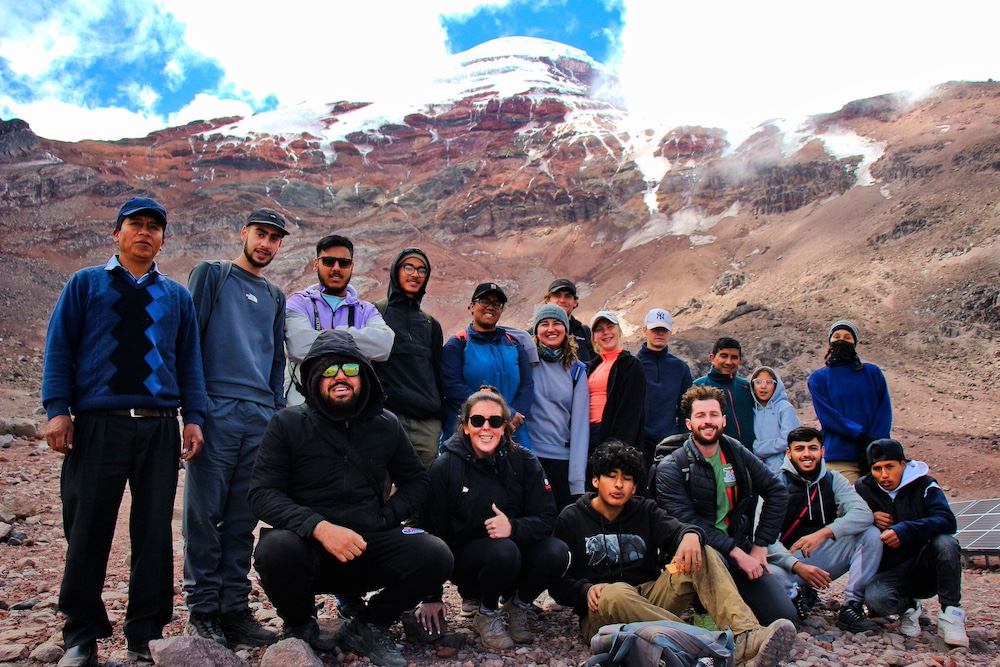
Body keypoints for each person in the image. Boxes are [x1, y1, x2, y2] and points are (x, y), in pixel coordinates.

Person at [42, 197, 207, 667]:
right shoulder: (85, 283)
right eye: (136, 224)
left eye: (154, 226)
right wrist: (57, 410)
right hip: (98, 425)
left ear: (162, 239)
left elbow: (189, 361)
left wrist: (194, 417)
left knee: (153, 532)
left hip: (159, 427)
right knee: (88, 528)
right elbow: (59, 347)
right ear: (117, 233)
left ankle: (145, 633)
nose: (145, 232)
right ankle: (81, 635)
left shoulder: (176, 296)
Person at [248, 331, 453, 667]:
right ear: (314, 378)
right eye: (329, 370)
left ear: (364, 376)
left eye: (350, 369)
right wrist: (319, 527)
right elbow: (261, 493)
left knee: (435, 553)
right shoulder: (286, 423)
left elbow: (417, 482)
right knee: (276, 549)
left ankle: (370, 625)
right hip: (308, 549)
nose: (340, 377)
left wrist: (385, 519)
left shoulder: (386, 424)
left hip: (367, 544)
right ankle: (300, 625)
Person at [551, 441, 796, 667]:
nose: (618, 485)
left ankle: (745, 634)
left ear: (634, 487)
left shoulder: (644, 510)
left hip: (650, 598)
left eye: (626, 479)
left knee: (702, 551)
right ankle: (713, 645)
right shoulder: (572, 517)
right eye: (611, 476)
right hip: (603, 612)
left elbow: (681, 530)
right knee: (616, 592)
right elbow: (558, 585)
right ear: (595, 481)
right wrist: (585, 590)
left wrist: (690, 535)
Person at [182, 208, 289, 647]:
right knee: (204, 514)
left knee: (244, 517)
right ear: (244, 233)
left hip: (260, 415)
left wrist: (277, 413)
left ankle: (234, 609)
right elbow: (188, 340)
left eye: (274, 238)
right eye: (260, 234)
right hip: (216, 408)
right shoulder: (213, 275)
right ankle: (202, 610)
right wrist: (193, 412)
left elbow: (277, 360)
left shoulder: (275, 295)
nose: (266, 244)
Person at [421, 388, 570, 649]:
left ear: (505, 427)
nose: (486, 428)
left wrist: (513, 527)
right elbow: (431, 531)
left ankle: (518, 606)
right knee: (503, 551)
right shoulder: (446, 467)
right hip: (468, 561)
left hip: (514, 549)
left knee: (558, 552)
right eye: (478, 420)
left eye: (495, 421)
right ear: (465, 426)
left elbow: (548, 517)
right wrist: (431, 595)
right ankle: (487, 613)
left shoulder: (524, 460)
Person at [654, 385, 796, 626]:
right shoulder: (672, 466)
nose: (708, 421)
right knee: (707, 557)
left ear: (724, 420)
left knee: (783, 616)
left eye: (714, 415)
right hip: (701, 552)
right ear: (689, 423)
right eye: (700, 415)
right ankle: (709, 612)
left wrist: (760, 545)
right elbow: (686, 521)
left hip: (738, 545)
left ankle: (731, 606)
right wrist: (736, 553)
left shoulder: (735, 452)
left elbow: (777, 490)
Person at [766, 427, 882, 632]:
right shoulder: (775, 484)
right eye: (800, 449)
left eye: (812, 448)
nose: (807, 454)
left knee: (871, 535)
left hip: (818, 556)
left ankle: (852, 607)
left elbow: (863, 514)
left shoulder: (833, 479)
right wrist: (796, 565)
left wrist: (825, 533)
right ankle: (797, 596)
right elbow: (764, 539)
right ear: (789, 453)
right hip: (785, 561)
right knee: (772, 578)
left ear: (822, 451)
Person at [854, 438, 968, 647]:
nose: (884, 475)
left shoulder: (925, 485)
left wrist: (906, 530)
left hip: (925, 566)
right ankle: (909, 608)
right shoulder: (863, 488)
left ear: (903, 464)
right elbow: (846, 517)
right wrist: (869, 517)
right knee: (876, 599)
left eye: (890, 467)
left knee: (946, 542)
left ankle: (951, 613)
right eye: (877, 469)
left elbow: (947, 521)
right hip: (890, 572)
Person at [285, 234, 394, 405]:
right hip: (302, 408)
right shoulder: (298, 303)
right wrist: (354, 342)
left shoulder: (365, 310)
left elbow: (384, 345)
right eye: (328, 261)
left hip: (351, 410)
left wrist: (327, 334)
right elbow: (298, 347)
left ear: (352, 266)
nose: (336, 268)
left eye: (343, 263)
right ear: (316, 264)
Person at [371, 248, 444, 470]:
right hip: (386, 417)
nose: (415, 274)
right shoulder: (375, 314)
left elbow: (436, 374)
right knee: (379, 484)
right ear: (396, 271)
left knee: (424, 485)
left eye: (422, 270)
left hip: (426, 424)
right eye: (409, 267)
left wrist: (438, 417)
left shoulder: (431, 325)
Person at [440, 283, 534, 447]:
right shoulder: (458, 344)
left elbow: (527, 386)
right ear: (472, 306)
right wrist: (504, 413)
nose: (490, 307)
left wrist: (513, 417)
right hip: (470, 435)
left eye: (496, 303)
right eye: (484, 301)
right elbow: (453, 387)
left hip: (512, 434)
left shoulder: (514, 345)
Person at [808, 320, 892, 482]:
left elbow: (884, 411)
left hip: (877, 456)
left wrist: (875, 443)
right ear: (830, 341)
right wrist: (861, 436)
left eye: (847, 337)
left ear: (854, 342)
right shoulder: (819, 378)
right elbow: (829, 417)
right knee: (849, 498)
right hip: (840, 455)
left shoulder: (872, 373)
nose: (841, 341)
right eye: (837, 337)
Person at [526, 303, 590, 509]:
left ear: (566, 329)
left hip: (560, 462)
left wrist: (577, 481)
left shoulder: (577, 371)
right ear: (536, 330)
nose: (551, 329)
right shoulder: (525, 362)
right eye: (544, 324)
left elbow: (580, 428)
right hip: (527, 456)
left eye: (557, 323)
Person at [586, 311, 645, 462]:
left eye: (610, 327)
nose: (606, 332)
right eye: (599, 329)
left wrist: (618, 447)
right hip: (587, 434)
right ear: (594, 338)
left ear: (619, 331)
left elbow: (630, 411)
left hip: (612, 436)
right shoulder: (590, 367)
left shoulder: (630, 365)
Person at [637, 308, 693, 459]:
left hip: (672, 446)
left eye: (664, 329)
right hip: (639, 445)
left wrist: (683, 440)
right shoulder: (633, 366)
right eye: (655, 329)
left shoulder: (680, 368)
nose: (660, 333)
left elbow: (686, 409)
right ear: (645, 330)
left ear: (670, 332)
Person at [692, 337, 755, 452]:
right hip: (714, 455)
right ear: (712, 358)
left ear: (740, 361)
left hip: (749, 455)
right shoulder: (698, 387)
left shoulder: (746, 387)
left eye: (734, 357)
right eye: (724, 356)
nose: (729, 362)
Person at [749, 366, 801, 473]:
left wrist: (758, 449)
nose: (763, 386)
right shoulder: (752, 411)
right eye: (758, 382)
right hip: (759, 472)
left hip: (783, 470)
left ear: (776, 386)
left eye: (769, 382)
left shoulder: (785, 408)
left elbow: (788, 440)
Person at [543, 278, 596, 362]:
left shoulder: (586, 334)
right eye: (557, 296)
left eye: (568, 296)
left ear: (575, 302)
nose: (562, 300)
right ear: (548, 300)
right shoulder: (534, 335)